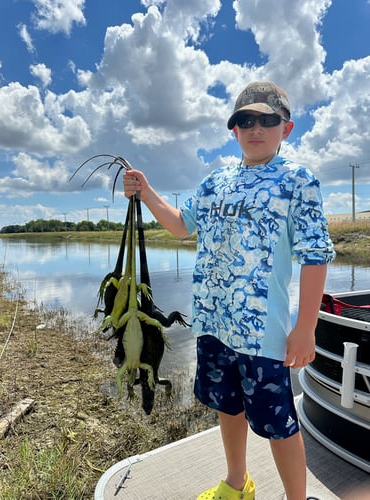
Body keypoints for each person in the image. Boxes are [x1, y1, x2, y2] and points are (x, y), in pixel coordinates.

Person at [123, 81, 335, 500]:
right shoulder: (215, 181)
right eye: (244, 120)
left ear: (286, 128)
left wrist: (305, 327)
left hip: (264, 335)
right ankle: (237, 482)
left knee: (280, 423)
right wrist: (146, 192)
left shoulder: (298, 181)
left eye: (266, 120)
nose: (255, 127)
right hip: (214, 322)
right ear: (233, 129)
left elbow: (316, 255)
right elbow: (182, 226)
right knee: (227, 406)